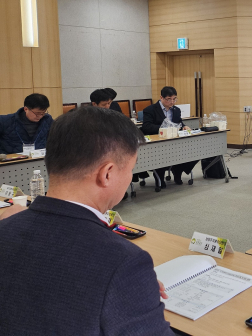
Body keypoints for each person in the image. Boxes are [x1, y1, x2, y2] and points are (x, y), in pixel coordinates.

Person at [0, 107, 173, 335]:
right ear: (107, 173)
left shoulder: (6, 228)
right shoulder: (124, 261)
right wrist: (130, 286)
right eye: (131, 168)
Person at [142, 86, 197, 186]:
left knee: (193, 151)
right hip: (158, 142)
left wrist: (184, 127)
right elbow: (146, 127)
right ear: (161, 97)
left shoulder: (176, 110)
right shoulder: (150, 110)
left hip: (174, 140)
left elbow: (179, 123)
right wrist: (165, 128)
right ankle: (159, 178)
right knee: (161, 154)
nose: (172, 102)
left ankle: (178, 171)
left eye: (174, 99)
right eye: (169, 99)